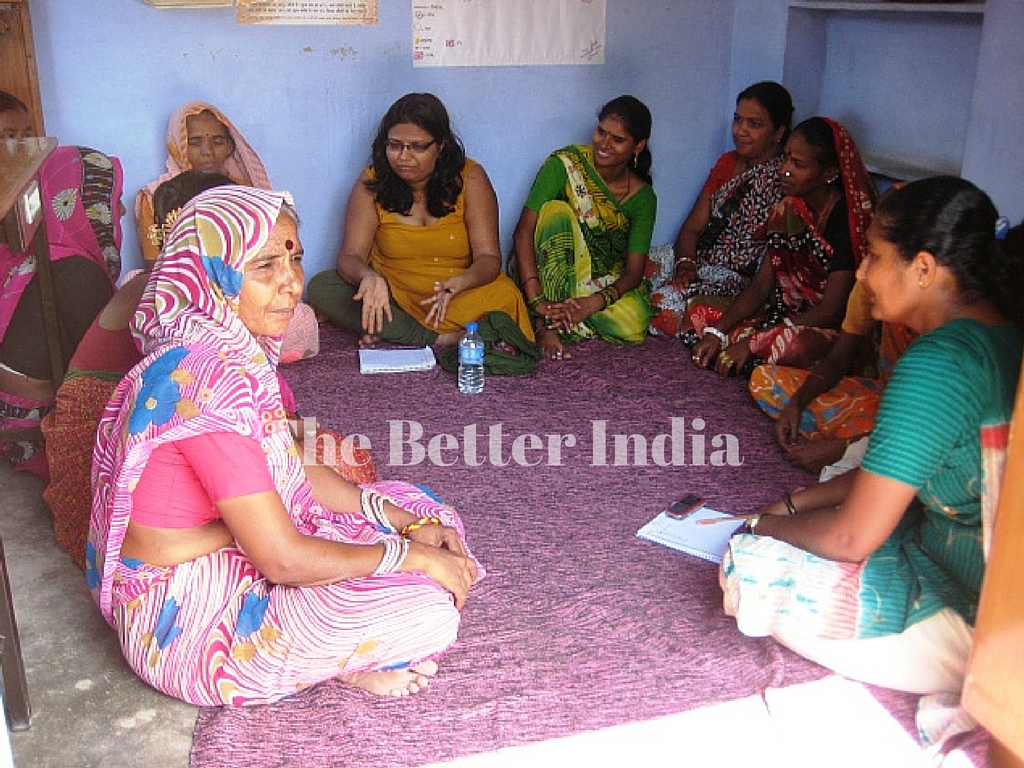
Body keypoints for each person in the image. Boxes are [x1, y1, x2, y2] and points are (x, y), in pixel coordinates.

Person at [88, 186, 479, 706]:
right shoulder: (205, 381)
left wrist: (396, 519)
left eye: (294, 257)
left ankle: (343, 635)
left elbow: (286, 465)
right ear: (213, 276)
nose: (292, 282)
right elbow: (283, 561)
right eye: (264, 265)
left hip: (232, 547)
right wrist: (413, 558)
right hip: (185, 619)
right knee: (427, 609)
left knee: (421, 506)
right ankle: (342, 661)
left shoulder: (230, 353)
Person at [720, 177, 1024, 701]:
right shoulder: (1003, 335)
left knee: (749, 569)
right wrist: (792, 503)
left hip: (982, 618)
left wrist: (758, 528)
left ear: (924, 269)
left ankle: (973, 674)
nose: (862, 273)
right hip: (984, 567)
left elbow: (849, 539)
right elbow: (898, 468)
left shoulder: (936, 363)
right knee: (865, 499)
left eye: (875, 258)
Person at [308, 92, 531, 347]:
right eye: (394, 145)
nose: (403, 157)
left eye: (417, 147)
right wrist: (368, 277)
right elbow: (350, 257)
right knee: (323, 287)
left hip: (457, 292)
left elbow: (489, 259)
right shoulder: (373, 181)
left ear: (442, 146)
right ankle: (442, 338)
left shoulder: (471, 179)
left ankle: (394, 331)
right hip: (396, 295)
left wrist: (463, 282)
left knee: (505, 297)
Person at [690, 117, 876, 377]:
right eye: (786, 158)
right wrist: (718, 332)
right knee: (705, 318)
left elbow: (832, 309)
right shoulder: (787, 210)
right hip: (786, 315)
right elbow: (761, 286)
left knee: (791, 345)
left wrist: (756, 342)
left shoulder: (847, 220)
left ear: (830, 173)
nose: (784, 170)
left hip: (828, 328)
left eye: (797, 164)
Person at [0, 145, 124, 477]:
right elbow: (105, 369)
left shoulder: (47, 251)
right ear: (86, 206)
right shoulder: (74, 268)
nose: (122, 210)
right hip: (25, 420)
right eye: (113, 199)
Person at [511, 95, 657, 360]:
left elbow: (634, 272)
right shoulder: (566, 164)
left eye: (618, 139)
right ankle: (546, 323)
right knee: (556, 212)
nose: (604, 144)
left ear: (638, 146)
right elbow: (522, 233)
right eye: (601, 132)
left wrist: (592, 304)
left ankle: (567, 315)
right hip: (548, 272)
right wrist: (537, 301)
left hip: (597, 285)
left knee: (635, 323)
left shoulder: (643, 198)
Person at [651, 81, 793, 338]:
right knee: (639, 265)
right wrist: (685, 263)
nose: (740, 131)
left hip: (738, 279)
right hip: (699, 260)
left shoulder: (785, 180)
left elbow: (767, 271)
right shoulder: (728, 163)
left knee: (665, 301)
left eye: (754, 124)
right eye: (738, 120)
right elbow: (693, 226)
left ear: (778, 132)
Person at [748, 279, 917, 473]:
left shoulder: (944, 319)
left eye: (876, 257)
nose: (861, 270)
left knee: (906, 448)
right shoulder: (868, 284)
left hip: (919, 427)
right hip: (882, 400)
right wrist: (797, 404)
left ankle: (857, 448)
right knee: (765, 381)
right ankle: (858, 445)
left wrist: (840, 449)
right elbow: (837, 360)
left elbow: (931, 426)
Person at [134, 101, 270, 264]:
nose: (208, 151)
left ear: (229, 146)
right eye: (194, 143)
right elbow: (153, 264)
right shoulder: (154, 197)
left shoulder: (247, 193)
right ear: (176, 146)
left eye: (218, 142)